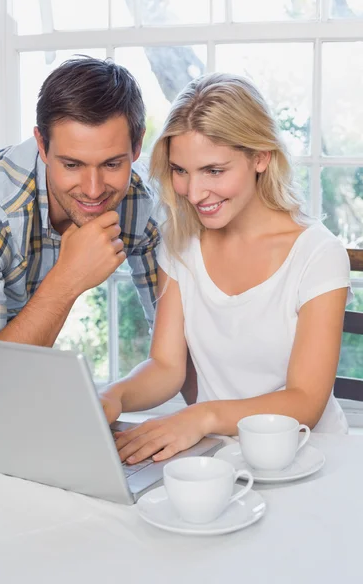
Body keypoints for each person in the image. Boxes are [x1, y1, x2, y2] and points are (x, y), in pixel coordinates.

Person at [101, 72, 353, 465]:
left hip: (310, 458)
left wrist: (202, 415)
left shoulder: (317, 254)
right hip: (217, 456)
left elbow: (305, 402)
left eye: (214, 171)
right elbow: (167, 366)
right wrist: (112, 396)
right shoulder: (180, 239)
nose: (195, 193)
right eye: (181, 171)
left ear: (260, 157)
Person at [0, 57, 159, 345]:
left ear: (137, 146)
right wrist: (67, 278)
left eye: (112, 164)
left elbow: (175, 346)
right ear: (42, 145)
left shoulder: (141, 200)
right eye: (72, 165)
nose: (93, 191)